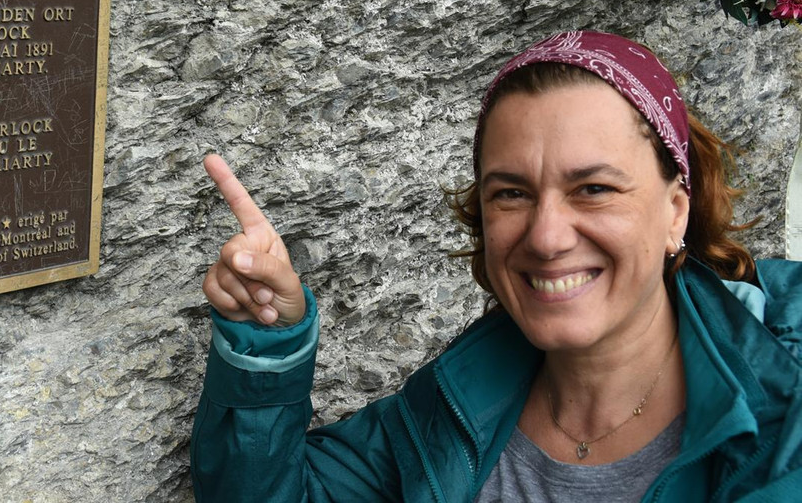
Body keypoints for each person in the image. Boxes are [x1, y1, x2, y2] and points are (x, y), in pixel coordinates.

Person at [192, 30, 802, 502]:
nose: (546, 236)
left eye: (593, 188)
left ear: (675, 212)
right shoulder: (454, 406)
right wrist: (270, 339)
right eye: (510, 193)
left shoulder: (782, 410)